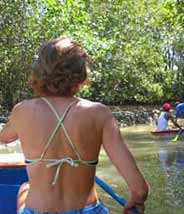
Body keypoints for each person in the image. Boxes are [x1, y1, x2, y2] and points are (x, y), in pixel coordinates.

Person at [0, 37, 149, 214]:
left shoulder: (22, 111)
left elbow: (4, 138)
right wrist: (136, 201)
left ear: (39, 73)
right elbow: (140, 189)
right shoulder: (99, 113)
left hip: (38, 209)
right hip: (88, 210)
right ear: (81, 74)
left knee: (25, 187)